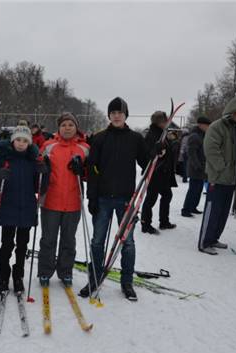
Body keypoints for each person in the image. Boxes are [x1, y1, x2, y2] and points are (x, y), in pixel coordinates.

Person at [79, 97, 147, 301]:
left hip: (126, 199)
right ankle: (94, 277)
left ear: (126, 115)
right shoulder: (100, 138)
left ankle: (127, 282)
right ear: (109, 115)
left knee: (127, 243)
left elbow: (147, 162)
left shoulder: (135, 138)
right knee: (97, 241)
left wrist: (160, 152)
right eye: (113, 112)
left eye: (120, 112)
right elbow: (92, 170)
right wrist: (92, 198)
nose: (117, 115)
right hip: (102, 199)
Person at [0, 126, 47, 294]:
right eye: (18, 140)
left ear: (29, 143)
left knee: (22, 246)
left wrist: (44, 173)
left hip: (27, 208)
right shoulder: (4, 159)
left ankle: (18, 276)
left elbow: (41, 188)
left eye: (25, 141)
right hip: (8, 207)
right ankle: (4, 277)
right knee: (6, 245)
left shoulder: (33, 160)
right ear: (13, 141)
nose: (21, 144)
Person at [37, 112, 89, 288]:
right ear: (59, 128)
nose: (67, 128)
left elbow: (91, 172)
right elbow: (37, 166)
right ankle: (45, 271)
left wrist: (82, 170)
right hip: (51, 200)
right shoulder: (48, 145)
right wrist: (42, 167)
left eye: (71, 125)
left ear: (76, 127)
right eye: (64, 125)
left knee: (68, 240)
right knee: (48, 239)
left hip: (73, 202)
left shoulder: (84, 148)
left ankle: (65, 272)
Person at [197, 98, 236, 255]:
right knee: (213, 210)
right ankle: (204, 242)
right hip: (219, 178)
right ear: (233, 112)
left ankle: (214, 238)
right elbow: (211, 149)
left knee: (223, 212)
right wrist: (222, 168)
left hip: (232, 179)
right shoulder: (217, 126)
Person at [141, 111, 177, 234]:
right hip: (155, 173)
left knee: (167, 195)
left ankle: (164, 221)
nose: (166, 122)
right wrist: (156, 152)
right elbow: (147, 154)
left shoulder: (162, 133)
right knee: (151, 199)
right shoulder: (152, 134)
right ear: (158, 122)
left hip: (164, 173)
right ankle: (146, 224)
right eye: (163, 121)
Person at [181, 116, 211, 217]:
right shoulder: (195, 136)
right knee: (193, 189)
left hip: (201, 168)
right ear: (200, 125)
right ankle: (186, 209)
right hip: (195, 168)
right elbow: (191, 153)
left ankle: (193, 207)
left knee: (198, 189)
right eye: (207, 125)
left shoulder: (202, 135)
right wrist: (197, 165)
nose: (208, 127)